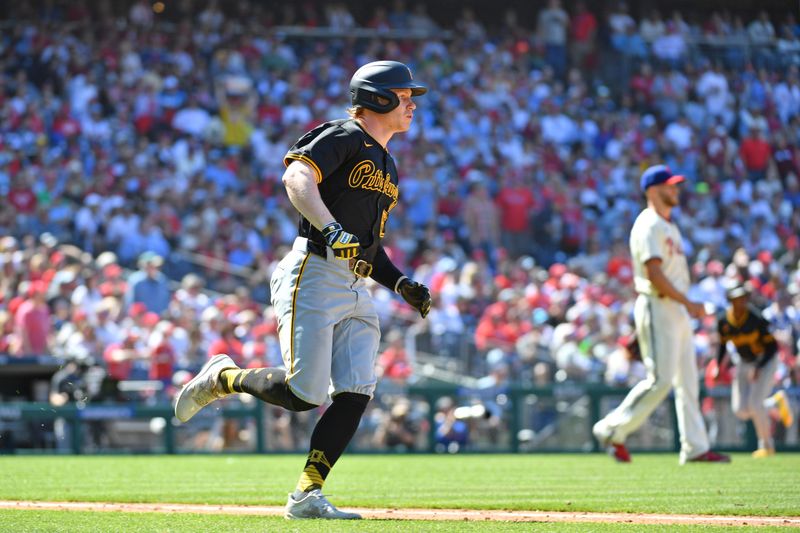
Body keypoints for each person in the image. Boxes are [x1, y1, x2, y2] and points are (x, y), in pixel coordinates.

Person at [175, 60, 432, 520]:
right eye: (404, 94)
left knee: (356, 389)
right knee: (303, 394)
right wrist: (331, 229)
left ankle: (306, 495)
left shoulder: (388, 163)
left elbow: (365, 249)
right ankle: (223, 377)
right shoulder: (343, 135)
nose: (412, 103)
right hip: (313, 270)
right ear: (377, 97)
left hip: (354, 282)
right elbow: (297, 177)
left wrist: (399, 283)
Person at [592, 165, 730, 464]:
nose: (675, 190)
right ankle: (610, 428)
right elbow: (654, 274)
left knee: (688, 383)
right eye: (670, 186)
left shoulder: (669, 225)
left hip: (677, 307)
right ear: (652, 191)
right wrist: (689, 303)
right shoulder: (649, 223)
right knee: (661, 380)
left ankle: (695, 447)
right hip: (658, 304)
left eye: (676, 185)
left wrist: (686, 304)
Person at [715, 283, 794, 458]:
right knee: (740, 410)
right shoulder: (724, 321)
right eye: (736, 299)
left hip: (765, 361)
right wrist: (718, 366)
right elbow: (722, 345)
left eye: (743, 298)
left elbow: (773, 347)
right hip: (744, 362)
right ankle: (774, 403)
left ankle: (766, 445)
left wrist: (759, 367)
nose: (740, 302)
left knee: (755, 404)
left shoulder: (756, 318)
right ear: (730, 301)